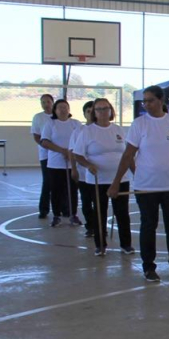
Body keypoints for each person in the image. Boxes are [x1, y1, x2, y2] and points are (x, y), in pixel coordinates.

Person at [109, 86, 169, 283]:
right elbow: (128, 155)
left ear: (160, 100)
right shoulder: (139, 124)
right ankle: (149, 267)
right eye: (144, 101)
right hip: (147, 186)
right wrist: (116, 182)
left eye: (150, 100)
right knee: (148, 226)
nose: (146, 104)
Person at [72, 98, 134, 256]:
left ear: (111, 111)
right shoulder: (87, 131)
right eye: (98, 109)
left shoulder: (118, 129)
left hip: (120, 178)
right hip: (97, 179)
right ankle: (100, 244)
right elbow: (78, 154)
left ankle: (126, 244)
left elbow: (127, 154)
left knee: (122, 212)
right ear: (94, 112)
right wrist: (88, 165)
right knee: (100, 211)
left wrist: (136, 172)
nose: (102, 112)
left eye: (105, 108)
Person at [40, 99, 83, 227]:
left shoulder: (75, 124)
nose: (63, 109)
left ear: (69, 109)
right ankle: (56, 216)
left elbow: (81, 140)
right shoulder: (50, 123)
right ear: (55, 110)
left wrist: (72, 153)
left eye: (65, 107)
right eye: (60, 107)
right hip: (55, 164)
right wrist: (62, 151)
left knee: (73, 190)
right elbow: (44, 141)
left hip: (73, 163)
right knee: (56, 190)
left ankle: (73, 214)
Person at [72, 101, 96, 237]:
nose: (91, 114)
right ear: (84, 114)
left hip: (100, 175)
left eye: (94, 111)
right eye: (88, 111)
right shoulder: (79, 131)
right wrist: (74, 169)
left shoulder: (104, 129)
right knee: (86, 201)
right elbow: (72, 151)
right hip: (83, 173)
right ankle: (90, 226)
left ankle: (99, 226)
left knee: (98, 202)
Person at [30, 93, 55, 219]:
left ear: (52, 102)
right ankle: (44, 209)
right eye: (43, 102)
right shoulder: (38, 117)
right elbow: (36, 135)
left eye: (48, 102)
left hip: (59, 155)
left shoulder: (58, 117)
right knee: (47, 182)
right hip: (45, 155)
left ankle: (63, 208)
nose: (46, 104)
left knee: (61, 182)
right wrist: (47, 146)